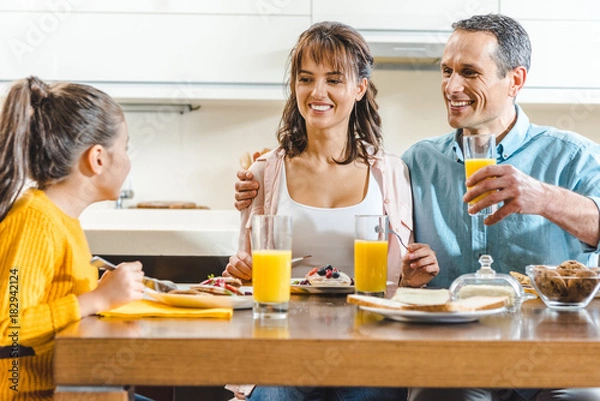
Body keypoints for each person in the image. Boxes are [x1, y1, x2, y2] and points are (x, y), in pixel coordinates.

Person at [234, 14, 600, 401]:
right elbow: (399, 270)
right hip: (451, 356)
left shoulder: (571, 156)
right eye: (446, 70)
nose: (452, 86)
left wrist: (544, 198)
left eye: (469, 72)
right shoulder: (418, 162)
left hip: (549, 351)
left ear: (516, 80)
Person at [225, 21, 439, 401]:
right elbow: (245, 277)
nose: (317, 92)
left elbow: (400, 281)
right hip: (281, 350)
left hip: (368, 349)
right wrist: (240, 273)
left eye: (334, 80)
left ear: (359, 88)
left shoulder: (390, 173)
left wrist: (413, 275)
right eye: (306, 79)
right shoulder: (264, 174)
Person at [0, 77, 147, 401]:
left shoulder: (62, 220)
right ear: (98, 159)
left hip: (67, 386)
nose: (127, 160)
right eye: (124, 147)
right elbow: (7, 331)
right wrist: (96, 300)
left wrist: (101, 291)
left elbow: (53, 301)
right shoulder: (35, 221)